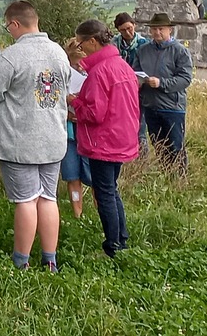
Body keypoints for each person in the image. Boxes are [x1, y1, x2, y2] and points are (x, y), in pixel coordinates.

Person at [0, 0, 70, 272]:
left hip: (21, 139)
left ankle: (21, 260)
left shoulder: (12, 55)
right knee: (48, 198)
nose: (9, 31)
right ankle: (50, 257)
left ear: (16, 24)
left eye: (9, 27)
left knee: (25, 200)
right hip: (53, 137)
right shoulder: (58, 53)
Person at [70, 19, 140, 257]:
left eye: (80, 44)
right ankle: (122, 239)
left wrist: (74, 102)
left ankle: (113, 246)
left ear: (92, 41)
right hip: (122, 136)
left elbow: (94, 113)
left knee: (105, 192)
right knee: (112, 189)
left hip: (103, 140)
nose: (80, 49)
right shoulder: (120, 64)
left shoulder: (99, 71)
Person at [134, 12, 193, 176]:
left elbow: (185, 79)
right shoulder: (143, 50)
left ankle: (180, 180)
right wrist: (138, 81)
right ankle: (166, 175)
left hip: (172, 108)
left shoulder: (180, 51)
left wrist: (161, 83)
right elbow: (135, 71)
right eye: (154, 29)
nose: (157, 32)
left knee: (176, 147)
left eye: (161, 29)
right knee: (159, 145)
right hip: (150, 106)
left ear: (169, 30)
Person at [60, 38, 93, 218]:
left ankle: (99, 210)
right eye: (77, 64)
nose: (80, 67)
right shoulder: (64, 77)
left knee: (94, 178)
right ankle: (77, 214)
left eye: (83, 64)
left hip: (89, 133)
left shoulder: (94, 77)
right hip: (69, 134)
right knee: (72, 176)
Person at [112, 11, 150, 153]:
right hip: (120, 90)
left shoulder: (144, 44)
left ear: (134, 25)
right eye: (123, 30)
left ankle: (142, 159)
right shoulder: (114, 44)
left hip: (139, 89)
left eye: (130, 28)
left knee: (140, 127)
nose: (127, 32)